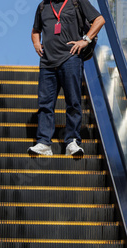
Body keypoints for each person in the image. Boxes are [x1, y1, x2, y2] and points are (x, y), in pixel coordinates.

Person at [28, 0, 104, 156]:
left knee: (73, 102)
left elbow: (100, 19)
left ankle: (72, 142)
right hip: (47, 62)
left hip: (70, 59)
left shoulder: (77, 2)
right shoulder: (43, 6)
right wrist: (36, 43)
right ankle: (43, 143)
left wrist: (86, 40)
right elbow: (36, 30)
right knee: (45, 104)